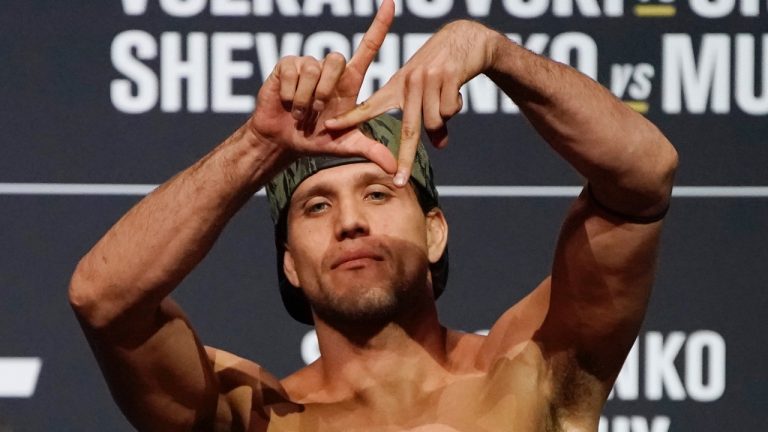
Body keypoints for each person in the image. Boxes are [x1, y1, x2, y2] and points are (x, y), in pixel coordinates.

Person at [68, 0, 678, 430]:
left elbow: (644, 177)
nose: (351, 222)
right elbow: (103, 298)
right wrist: (260, 144)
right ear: (290, 264)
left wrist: (492, 50)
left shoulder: (532, 369)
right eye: (316, 205)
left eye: (380, 193)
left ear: (434, 231)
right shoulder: (253, 417)